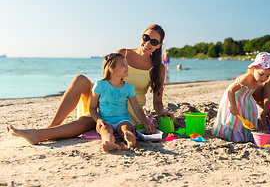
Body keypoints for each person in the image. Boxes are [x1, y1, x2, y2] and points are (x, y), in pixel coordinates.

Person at [7, 24, 172, 145]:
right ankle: (51, 127)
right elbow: (106, 80)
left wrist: (162, 112)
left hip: (127, 109)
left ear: (158, 47)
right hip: (107, 99)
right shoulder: (123, 53)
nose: (148, 43)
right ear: (142, 36)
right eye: (146, 37)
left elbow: (157, 101)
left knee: (87, 123)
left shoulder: (157, 68)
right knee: (80, 79)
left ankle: (39, 135)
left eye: (154, 42)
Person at [90, 53, 156, 152]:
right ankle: (109, 143)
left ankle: (129, 140)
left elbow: (137, 108)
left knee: (125, 130)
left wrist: (146, 123)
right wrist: (98, 120)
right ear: (111, 68)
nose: (127, 67)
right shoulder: (100, 85)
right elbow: (92, 107)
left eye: (126, 64)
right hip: (106, 120)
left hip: (123, 119)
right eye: (123, 65)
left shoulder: (128, 87)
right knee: (105, 131)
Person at [212, 52, 270, 142]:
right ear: (253, 68)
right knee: (235, 120)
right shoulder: (246, 78)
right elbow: (231, 90)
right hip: (235, 99)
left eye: (267, 76)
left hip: (245, 99)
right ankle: (233, 136)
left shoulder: (257, 79)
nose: (264, 78)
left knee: (249, 115)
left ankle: (249, 135)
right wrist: (233, 106)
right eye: (261, 74)